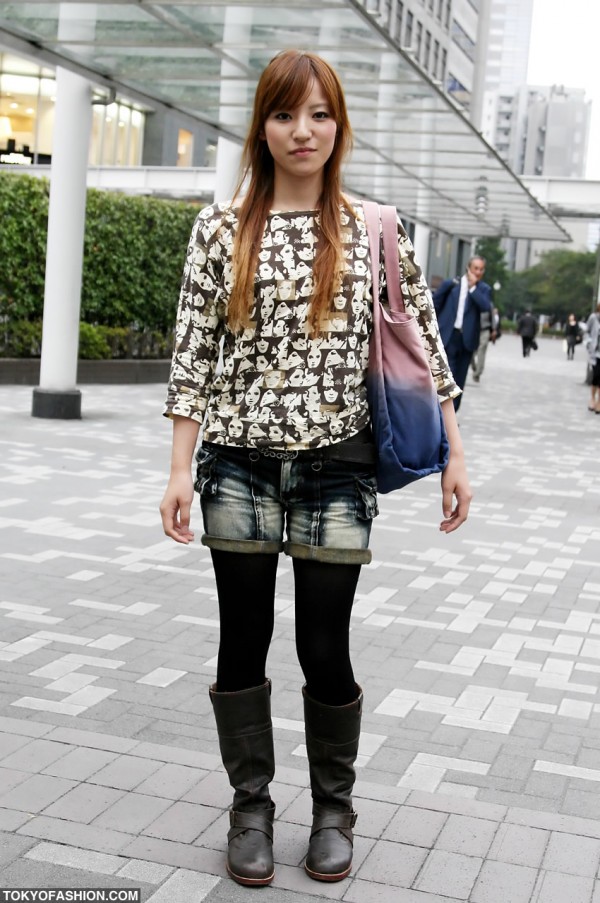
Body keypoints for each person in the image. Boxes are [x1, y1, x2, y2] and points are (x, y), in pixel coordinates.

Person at [159, 49, 471, 889]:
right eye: (286, 114)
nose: (304, 131)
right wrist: (179, 468)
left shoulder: (375, 227)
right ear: (261, 126)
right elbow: (192, 354)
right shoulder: (222, 229)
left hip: (340, 468)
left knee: (323, 644)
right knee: (243, 638)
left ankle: (334, 809)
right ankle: (251, 806)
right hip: (238, 465)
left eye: (320, 114)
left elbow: (422, 345)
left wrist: (455, 452)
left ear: (340, 125)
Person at [432, 256, 492, 409]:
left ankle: (453, 412)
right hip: (449, 337)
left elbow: (485, 307)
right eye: (475, 268)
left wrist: (473, 288)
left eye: (481, 269)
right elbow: (435, 303)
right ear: (468, 268)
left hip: (467, 340)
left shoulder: (483, 289)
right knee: (448, 376)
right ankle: (444, 413)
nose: (478, 272)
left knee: (460, 379)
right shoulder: (452, 284)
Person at [471, 303, 499, 383]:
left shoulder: (489, 304)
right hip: (474, 330)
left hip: (485, 330)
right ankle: (475, 367)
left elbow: (493, 318)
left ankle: (477, 373)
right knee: (470, 352)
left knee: (481, 351)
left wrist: (494, 329)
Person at [585, 303, 600, 412]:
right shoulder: (593, 318)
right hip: (596, 353)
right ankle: (592, 399)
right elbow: (587, 331)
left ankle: (599, 402)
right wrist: (589, 343)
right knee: (596, 376)